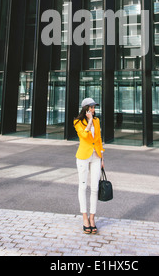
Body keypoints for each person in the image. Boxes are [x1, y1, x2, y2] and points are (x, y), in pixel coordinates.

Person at [73, 98, 105, 234]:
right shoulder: (78, 122)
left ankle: (92, 218)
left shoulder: (97, 121)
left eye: (94, 107)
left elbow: (98, 139)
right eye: (91, 107)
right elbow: (84, 136)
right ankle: (85, 218)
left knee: (95, 188)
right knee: (83, 186)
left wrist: (102, 157)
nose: (93, 109)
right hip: (83, 157)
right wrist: (90, 121)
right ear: (85, 109)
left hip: (96, 156)